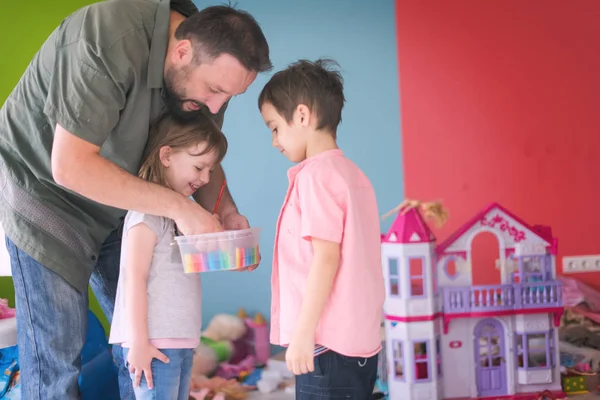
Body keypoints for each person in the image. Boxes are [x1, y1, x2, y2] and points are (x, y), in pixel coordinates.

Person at [0, 0, 271, 398]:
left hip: (124, 198)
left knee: (148, 343)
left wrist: (224, 209)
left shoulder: (200, 74)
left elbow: (195, 154)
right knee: (57, 358)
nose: (214, 108)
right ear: (181, 51)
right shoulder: (108, 37)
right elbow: (70, 167)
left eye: (227, 97)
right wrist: (180, 207)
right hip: (45, 191)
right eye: (213, 90)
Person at [258, 59, 385, 399]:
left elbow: (326, 258)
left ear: (301, 116)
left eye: (274, 127)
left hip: (326, 345)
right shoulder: (353, 176)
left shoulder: (314, 177)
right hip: (359, 343)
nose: (274, 141)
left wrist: (303, 334)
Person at [109, 112, 227, 399]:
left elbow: (200, 259)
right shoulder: (145, 213)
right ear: (167, 156)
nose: (205, 178)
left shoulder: (181, 216)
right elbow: (133, 279)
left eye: (210, 170)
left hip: (182, 340)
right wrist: (138, 342)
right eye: (199, 167)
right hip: (153, 343)